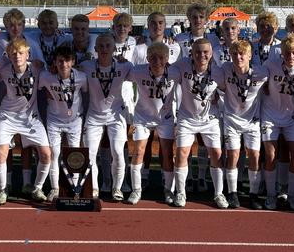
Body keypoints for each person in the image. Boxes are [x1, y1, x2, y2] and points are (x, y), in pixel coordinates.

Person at [0, 38, 52, 205]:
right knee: (1, 153)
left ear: (28, 55)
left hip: (31, 117)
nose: (17, 56)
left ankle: (37, 188)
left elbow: (53, 73)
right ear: (9, 56)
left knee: (46, 154)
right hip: (7, 115)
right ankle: (2, 189)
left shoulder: (37, 68)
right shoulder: (4, 70)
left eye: (21, 53)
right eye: (13, 53)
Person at [168, 37, 223, 208]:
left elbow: (229, 89)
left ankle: (218, 193)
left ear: (211, 54)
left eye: (206, 52)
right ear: (192, 53)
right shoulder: (182, 65)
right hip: (187, 117)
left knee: (216, 154)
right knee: (182, 152)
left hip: (210, 119)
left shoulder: (218, 71)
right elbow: (165, 70)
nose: (202, 55)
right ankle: (180, 192)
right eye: (198, 52)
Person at [214, 39, 268, 209]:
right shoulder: (225, 69)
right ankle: (233, 193)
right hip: (231, 119)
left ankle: (253, 194)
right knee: (233, 155)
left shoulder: (261, 72)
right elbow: (214, 82)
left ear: (250, 55)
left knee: (254, 156)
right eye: (235, 54)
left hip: (253, 121)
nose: (239, 57)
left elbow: (271, 86)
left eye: (242, 54)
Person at [80, 33, 132, 199]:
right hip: (94, 116)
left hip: (116, 115)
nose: (104, 49)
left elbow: (144, 74)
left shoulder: (125, 66)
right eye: (101, 46)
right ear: (95, 49)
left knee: (117, 151)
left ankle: (117, 188)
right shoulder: (85, 66)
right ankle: (94, 187)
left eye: (108, 46)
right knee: (90, 153)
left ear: (114, 48)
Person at [260, 34, 294, 210]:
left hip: (293, 118)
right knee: (270, 156)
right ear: (282, 52)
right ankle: (271, 195)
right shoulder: (271, 65)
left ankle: (293, 195)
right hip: (270, 116)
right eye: (287, 52)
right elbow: (257, 78)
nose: (291, 56)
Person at [35, 45, 88, 201]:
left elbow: (85, 93)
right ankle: (55, 188)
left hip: (74, 120)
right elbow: (41, 89)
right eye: (60, 61)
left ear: (73, 61)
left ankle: (75, 187)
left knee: (74, 153)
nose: (63, 64)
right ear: (55, 62)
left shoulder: (81, 77)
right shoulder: (46, 76)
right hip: (54, 120)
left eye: (67, 60)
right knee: (54, 154)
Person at [126, 42, 176, 204]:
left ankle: (169, 190)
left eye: (161, 58)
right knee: (138, 150)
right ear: (147, 58)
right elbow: (121, 73)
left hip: (165, 118)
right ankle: (136, 190)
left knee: (167, 153)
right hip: (143, 117)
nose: (157, 62)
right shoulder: (138, 71)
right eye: (153, 58)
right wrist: (120, 61)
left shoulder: (175, 72)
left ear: (167, 59)